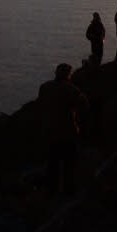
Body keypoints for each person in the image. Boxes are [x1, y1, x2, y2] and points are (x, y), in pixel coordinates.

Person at [37, 63, 89, 195]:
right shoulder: (71, 90)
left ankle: (51, 191)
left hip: (49, 132)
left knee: (52, 163)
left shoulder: (45, 87)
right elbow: (84, 104)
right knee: (68, 164)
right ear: (68, 75)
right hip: (67, 133)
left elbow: (39, 106)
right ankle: (68, 191)